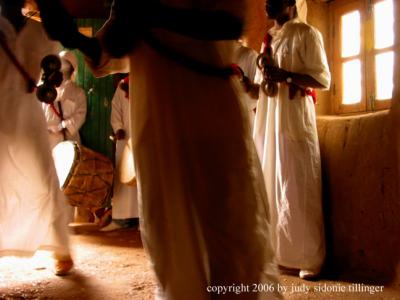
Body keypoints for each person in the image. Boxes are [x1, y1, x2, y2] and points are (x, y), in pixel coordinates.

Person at [36, 0, 281, 298]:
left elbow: (229, 25)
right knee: (168, 227)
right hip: (157, 122)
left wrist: (148, 14)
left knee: (228, 223)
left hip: (211, 109)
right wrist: (72, 36)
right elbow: (106, 55)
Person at [253, 0, 331, 280]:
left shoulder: (307, 34)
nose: (267, 4)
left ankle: (310, 257)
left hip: (294, 119)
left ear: (289, 2)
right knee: (270, 185)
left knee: (297, 186)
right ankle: (278, 253)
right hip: (269, 120)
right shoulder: (268, 40)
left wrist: (286, 76)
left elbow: (323, 80)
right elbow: (258, 85)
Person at [0, 0, 73, 275]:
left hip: (28, 110)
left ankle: (62, 249)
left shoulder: (40, 31)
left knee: (45, 177)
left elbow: (54, 69)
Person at [101, 75, 139, 231]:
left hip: (144, 137)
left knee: (144, 179)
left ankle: (144, 221)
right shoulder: (122, 85)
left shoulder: (150, 81)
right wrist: (118, 128)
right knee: (122, 179)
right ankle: (120, 218)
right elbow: (116, 109)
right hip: (126, 138)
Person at [41, 50, 87, 150]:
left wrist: (61, 126)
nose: (60, 64)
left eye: (64, 61)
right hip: (46, 139)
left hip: (67, 141)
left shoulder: (78, 92)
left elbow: (80, 116)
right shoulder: (44, 88)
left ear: (71, 67)